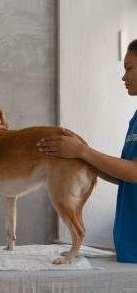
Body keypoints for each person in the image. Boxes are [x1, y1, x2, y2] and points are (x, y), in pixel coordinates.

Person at [37, 39, 137, 263]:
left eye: (129, 68)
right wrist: (80, 156)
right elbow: (125, 178)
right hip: (128, 241)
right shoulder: (135, 119)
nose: (123, 77)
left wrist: (83, 152)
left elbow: (134, 172)